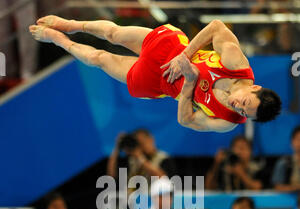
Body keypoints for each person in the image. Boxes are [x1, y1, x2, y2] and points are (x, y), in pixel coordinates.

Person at [29, 17, 281, 132]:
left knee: (100, 59)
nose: (238, 107)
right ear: (254, 87)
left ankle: (59, 40)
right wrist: (185, 55)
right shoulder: (236, 63)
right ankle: (72, 25)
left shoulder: (228, 121)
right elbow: (216, 27)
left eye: (244, 113)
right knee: (113, 35)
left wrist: (189, 85)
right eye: (245, 103)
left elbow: (187, 121)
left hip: (161, 83)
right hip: (171, 49)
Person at [107, 129, 175, 191]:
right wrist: (117, 148)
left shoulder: (163, 158)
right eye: (139, 143)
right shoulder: (132, 160)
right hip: (129, 201)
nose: (142, 146)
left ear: (151, 139)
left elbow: (164, 179)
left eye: (143, 142)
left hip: (151, 201)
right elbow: (112, 175)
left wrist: (140, 158)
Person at [272, 126, 300, 193]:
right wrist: (297, 187)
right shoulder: (283, 163)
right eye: (298, 139)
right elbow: (277, 187)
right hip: (289, 201)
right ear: (292, 142)